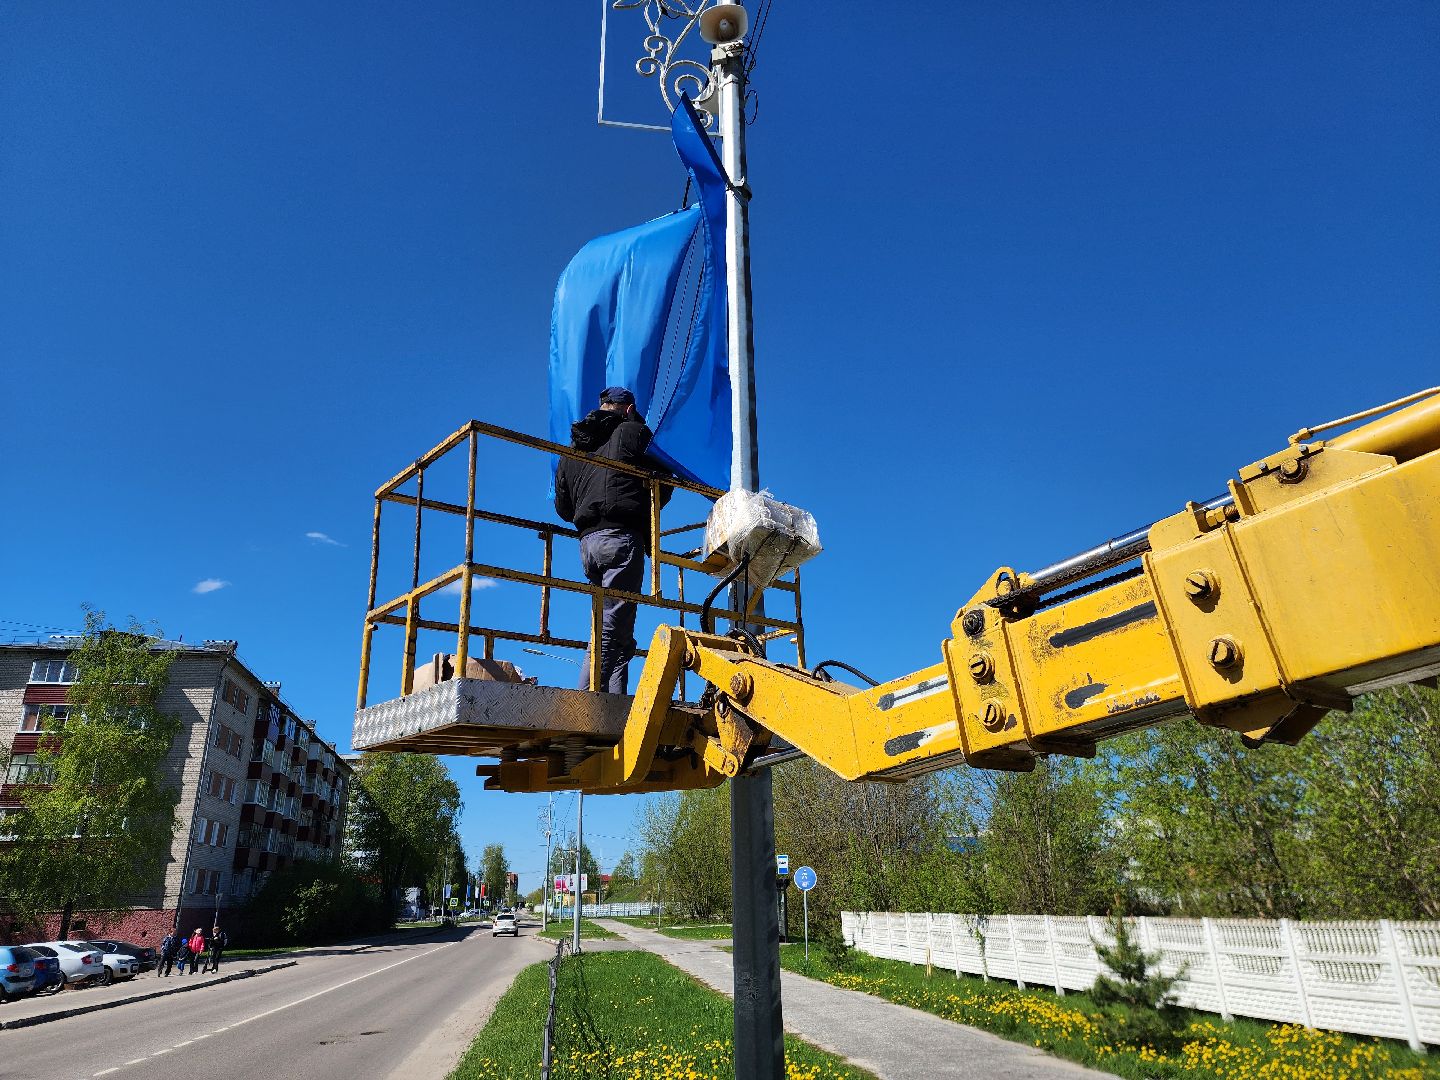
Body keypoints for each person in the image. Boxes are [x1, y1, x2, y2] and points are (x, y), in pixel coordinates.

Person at [554, 386, 672, 693]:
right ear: (629, 409)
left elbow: (563, 509)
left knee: (615, 632)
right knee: (610, 632)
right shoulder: (633, 432)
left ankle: (614, 709)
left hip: (588, 545)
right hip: (620, 539)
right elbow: (664, 480)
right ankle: (582, 705)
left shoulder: (573, 448)